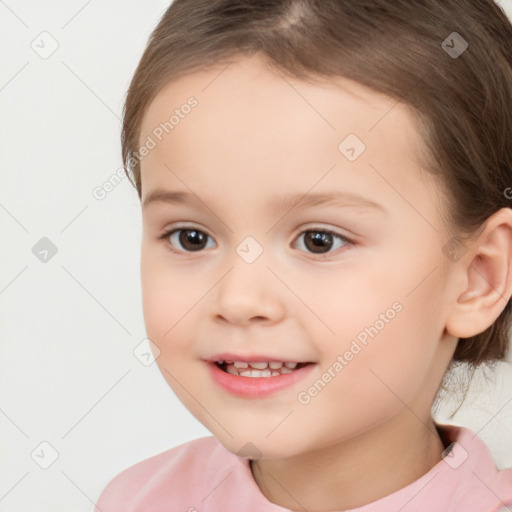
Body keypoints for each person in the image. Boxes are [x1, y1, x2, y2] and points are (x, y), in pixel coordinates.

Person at [94, 0, 512, 510]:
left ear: (477, 276)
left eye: (319, 240)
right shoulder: (137, 501)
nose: (240, 299)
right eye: (191, 237)